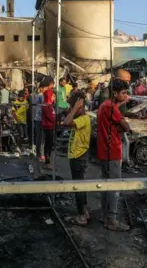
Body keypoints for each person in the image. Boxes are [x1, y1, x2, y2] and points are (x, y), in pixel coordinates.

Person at [97, 79, 131, 231]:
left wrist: (120, 106)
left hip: (104, 150)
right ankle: (111, 219)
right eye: (123, 93)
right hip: (112, 150)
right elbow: (127, 127)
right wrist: (122, 122)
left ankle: (105, 215)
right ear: (115, 93)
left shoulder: (105, 106)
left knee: (105, 183)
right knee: (114, 185)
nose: (125, 96)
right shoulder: (112, 108)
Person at [62, 92, 91, 226]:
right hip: (77, 155)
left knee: (78, 187)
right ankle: (84, 211)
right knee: (80, 185)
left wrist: (75, 108)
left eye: (74, 106)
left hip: (79, 156)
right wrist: (73, 108)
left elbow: (66, 122)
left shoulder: (84, 119)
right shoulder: (81, 117)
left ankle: (81, 216)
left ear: (81, 106)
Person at [42, 79, 56, 169]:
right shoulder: (47, 105)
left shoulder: (48, 105)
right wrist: (56, 120)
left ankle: (48, 159)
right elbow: (50, 117)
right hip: (48, 126)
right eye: (53, 96)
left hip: (49, 125)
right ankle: (47, 161)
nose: (54, 98)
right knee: (48, 144)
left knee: (49, 144)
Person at [33, 83, 46, 161]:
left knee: (42, 138)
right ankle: (39, 154)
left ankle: (41, 154)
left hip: (41, 119)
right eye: (44, 88)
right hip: (39, 119)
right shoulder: (40, 96)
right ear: (41, 88)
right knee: (39, 138)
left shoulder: (41, 96)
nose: (46, 89)